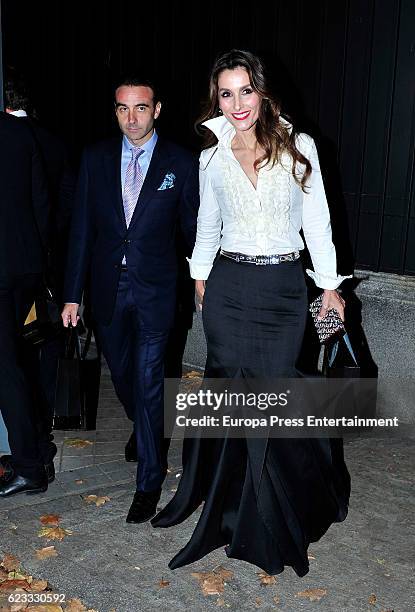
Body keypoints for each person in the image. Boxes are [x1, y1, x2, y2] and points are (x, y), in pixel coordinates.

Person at [152, 49, 352, 577]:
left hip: (284, 289)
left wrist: (329, 287)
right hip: (228, 288)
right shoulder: (211, 157)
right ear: (215, 98)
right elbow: (207, 227)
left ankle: (274, 514)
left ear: (261, 91)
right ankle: (222, 505)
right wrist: (200, 280)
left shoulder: (298, 146)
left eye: (245, 90)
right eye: (226, 93)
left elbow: (319, 225)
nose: (237, 103)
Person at [62, 76, 199, 523]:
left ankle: (149, 479)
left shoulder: (181, 161)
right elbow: (81, 231)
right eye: (123, 109)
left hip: (158, 291)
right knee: (121, 374)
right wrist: (71, 295)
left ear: (157, 109)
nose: (132, 118)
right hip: (107, 290)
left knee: (150, 378)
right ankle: (145, 430)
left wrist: (203, 281)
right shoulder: (95, 158)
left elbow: (196, 229)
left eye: (140, 108)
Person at [1, 75, 75, 479]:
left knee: (11, 363)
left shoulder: (17, 137)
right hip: (42, 263)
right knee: (35, 351)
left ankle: (30, 456)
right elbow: (58, 202)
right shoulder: (49, 139)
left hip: (17, 265)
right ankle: (40, 440)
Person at [0, 112, 50, 496]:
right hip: (26, 262)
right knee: (15, 362)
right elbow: (40, 200)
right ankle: (37, 451)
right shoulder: (21, 132)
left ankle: (29, 466)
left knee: (7, 369)